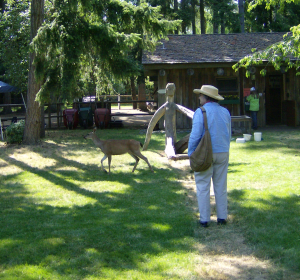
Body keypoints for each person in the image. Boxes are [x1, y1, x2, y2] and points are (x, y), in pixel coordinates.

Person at [188, 85, 231, 228]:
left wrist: (191, 153)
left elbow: (195, 136)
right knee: (221, 186)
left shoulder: (201, 112)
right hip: (223, 151)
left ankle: (205, 219)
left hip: (206, 153)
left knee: (203, 185)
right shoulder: (225, 112)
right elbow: (228, 132)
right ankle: (222, 217)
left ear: (206, 97)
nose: (199, 97)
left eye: (200, 95)